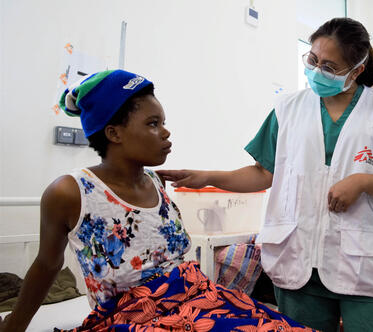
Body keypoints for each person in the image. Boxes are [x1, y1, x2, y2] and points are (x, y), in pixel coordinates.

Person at [159, 17, 373, 332]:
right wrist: (207, 177)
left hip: (368, 266)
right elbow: (263, 173)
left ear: (356, 70)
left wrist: (363, 182)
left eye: (330, 67)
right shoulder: (287, 109)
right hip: (299, 262)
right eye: (313, 60)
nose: (317, 71)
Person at [0, 70, 316, 332]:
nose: (165, 133)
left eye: (162, 122)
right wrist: (14, 326)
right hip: (135, 315)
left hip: (197, 297)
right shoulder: (70, 192)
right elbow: (47, 264)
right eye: (153, 124)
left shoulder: (153, 181)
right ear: (113, 133)